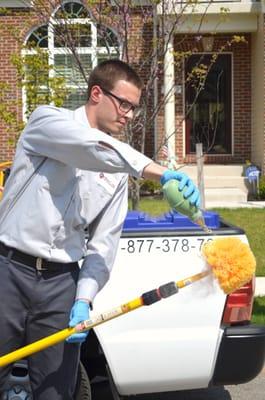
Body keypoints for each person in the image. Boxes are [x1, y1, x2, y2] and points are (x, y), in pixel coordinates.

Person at [0, 59, 200, 400]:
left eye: (135, 108)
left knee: (56, 392)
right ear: (97, 93)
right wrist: (159, 172)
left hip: (61, 284)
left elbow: (103, 245)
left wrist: (83, 298)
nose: (130, 115)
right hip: (7, 271)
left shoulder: (118, 172)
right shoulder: (47, 122)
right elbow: (90, 148)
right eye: (124, 104)